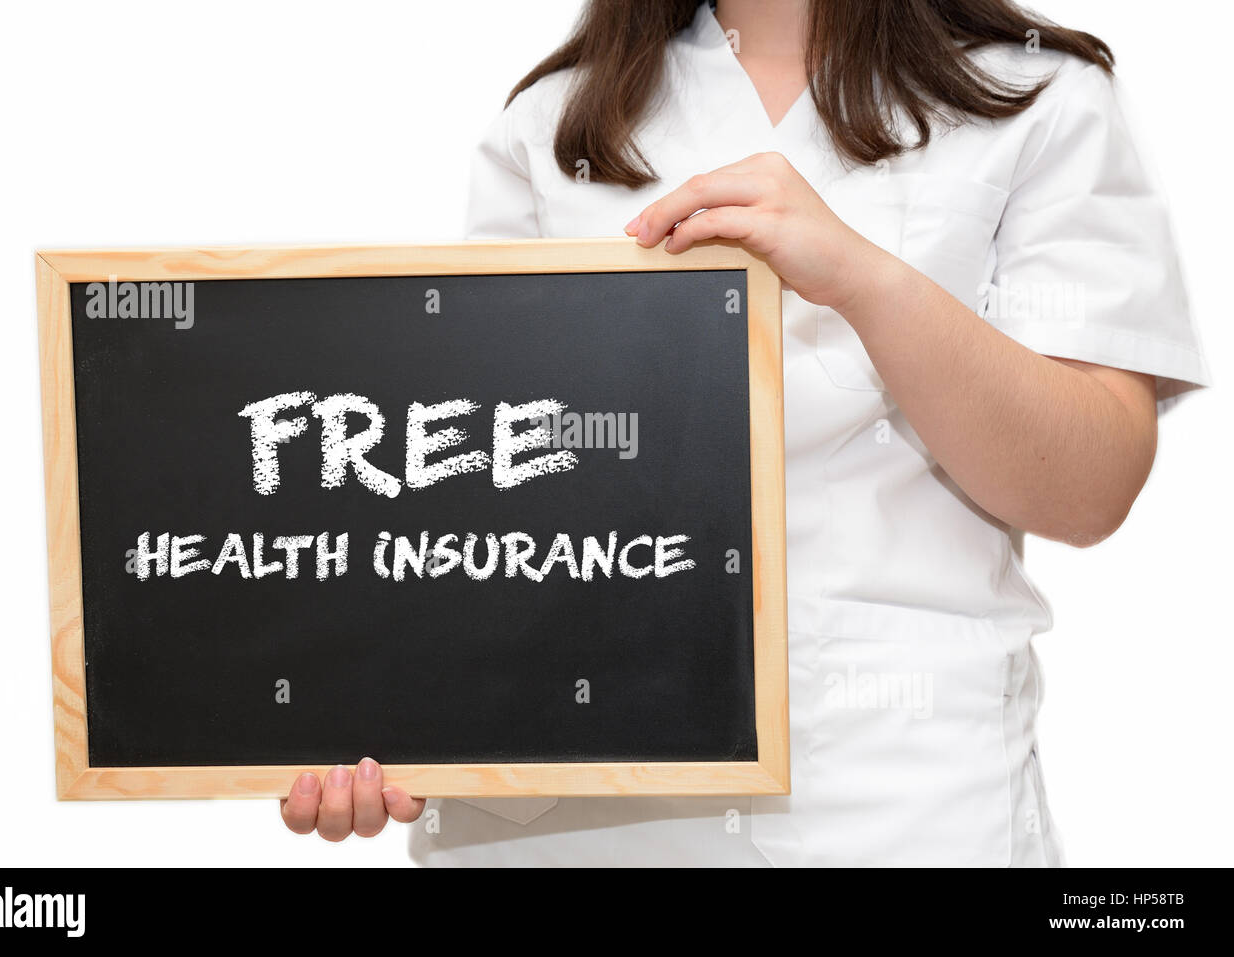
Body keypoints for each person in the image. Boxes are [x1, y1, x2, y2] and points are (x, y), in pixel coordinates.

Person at [280, 0, 1210, 866]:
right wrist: (375, 701)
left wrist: (862, 278)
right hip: (570, 808)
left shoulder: (1036, 97)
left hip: (896, 802)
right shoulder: (556, 118)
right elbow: (480, 493)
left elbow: (1092, 488)